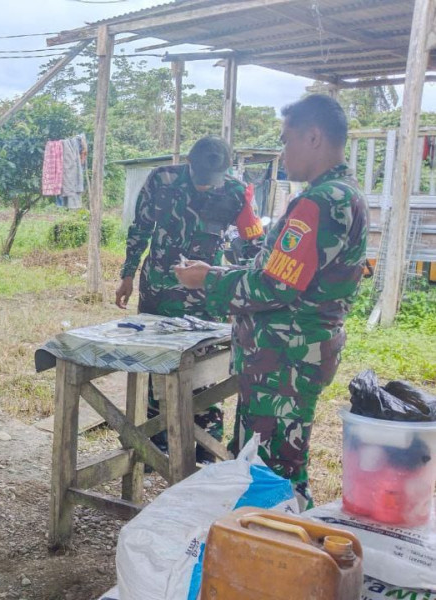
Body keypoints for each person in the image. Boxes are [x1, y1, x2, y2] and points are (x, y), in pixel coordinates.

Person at [175, 94, 368, 508]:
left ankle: (283, 557)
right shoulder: (343, 193)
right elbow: (282, 273)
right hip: (292, 356)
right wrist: (214, 273)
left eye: (286, 140)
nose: (282, 151)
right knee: (274, 463)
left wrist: (205, 282)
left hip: (284, 361)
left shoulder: (319, 202)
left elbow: (272, 288)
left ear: (313, 137)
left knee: (273, 475)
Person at [115, 136, 265, 458]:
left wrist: (236, 286)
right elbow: (140, 228)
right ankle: (158, 444)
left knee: (204, 373)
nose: (203, 187)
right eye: (198, 178)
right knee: (157, 366)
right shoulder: (162, 180)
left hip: (204, 298)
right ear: (188, 163)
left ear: (225, 172)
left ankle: (205, 448)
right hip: (157, 289)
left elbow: (255, 250)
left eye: (210, 182)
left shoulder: (238, 195)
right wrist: (127, 274)